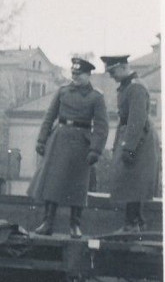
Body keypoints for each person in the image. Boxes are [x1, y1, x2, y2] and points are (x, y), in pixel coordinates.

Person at [27, 57, 109, 238]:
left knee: (78, 185)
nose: (76, 78)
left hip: (82, 143)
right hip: (60, 139)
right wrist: (41, 140)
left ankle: (75, 225)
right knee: (52, 182)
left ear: (88, 75)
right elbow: (49, 117)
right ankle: (47, 223)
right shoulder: (62, 92)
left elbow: (102, 126)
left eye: (79, 75)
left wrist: (95, 150)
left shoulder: (96, 97)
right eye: (74, 74)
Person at [101, 54, 160, 232]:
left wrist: (129, 148)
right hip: (131, 135)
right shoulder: (127, 87)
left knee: (134, 179)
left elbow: (137, 120)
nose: (111, 76)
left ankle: (133, 223)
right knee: (130, 179)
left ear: (122, 67)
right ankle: (134, 222)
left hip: (139, 138)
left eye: (112, 72)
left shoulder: (136, 88)